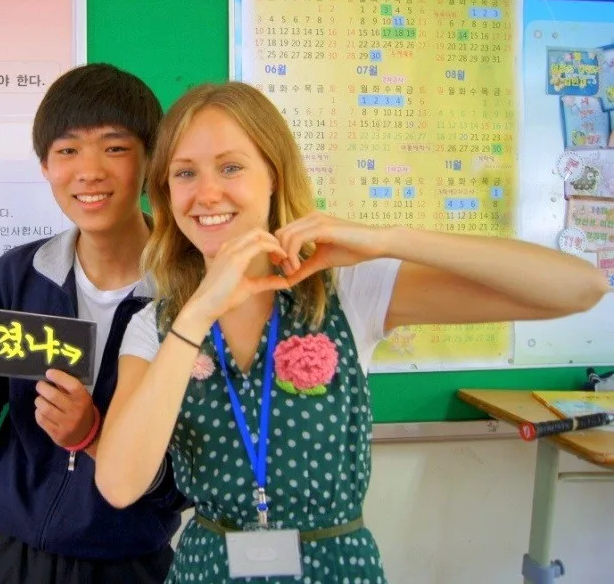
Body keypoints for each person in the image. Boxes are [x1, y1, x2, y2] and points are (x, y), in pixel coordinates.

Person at [95, 81, 607, 583]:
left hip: (335, 568)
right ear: (166, 192)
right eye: (184, 173)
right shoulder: (157, 326)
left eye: (231, 167)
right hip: (209, 568)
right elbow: (119, 485)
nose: (207, 193)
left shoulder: (346, 290)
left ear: (274, 176)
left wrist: (388, 239)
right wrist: (198, 311)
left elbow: (579, 288)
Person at [0, 63, 188, 584]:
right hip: (2, 554)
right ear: (46, 166)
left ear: (150, 161)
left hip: (125, 564)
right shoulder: (17, 274)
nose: (88, 171)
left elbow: (194, 473)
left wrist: (91, 434)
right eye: (67, 150)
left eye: (114, 147)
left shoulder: (191, 296)